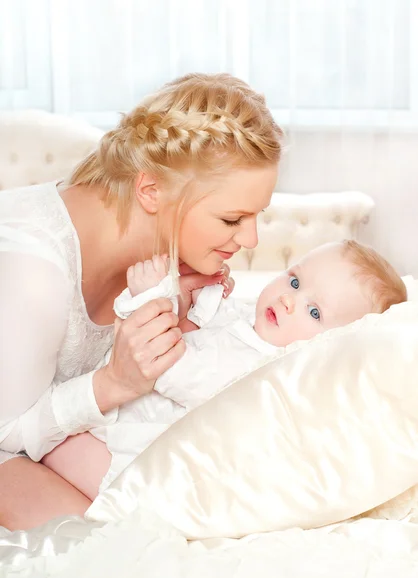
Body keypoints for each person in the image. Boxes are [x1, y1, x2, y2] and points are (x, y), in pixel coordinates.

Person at [0, 73, 282, 530]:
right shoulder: (34, 275)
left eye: (256, 216)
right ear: (151, 191)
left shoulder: (158, 248)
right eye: (233, 218)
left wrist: (182, 315)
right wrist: (115, 382)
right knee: (107, 556)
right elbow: (6, 430)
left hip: (43, 441)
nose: (249, 239)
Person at [42, 240, 407, 500]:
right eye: (294, 281)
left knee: (50, 443)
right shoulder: (259, 321)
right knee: (52, 423)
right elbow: (209, 329)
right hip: (131, 413)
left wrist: (149, 301)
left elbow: (169, 368)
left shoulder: (262, 372)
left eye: (314, 312)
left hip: (137, 457)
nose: (287, 299)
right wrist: (204, 299)